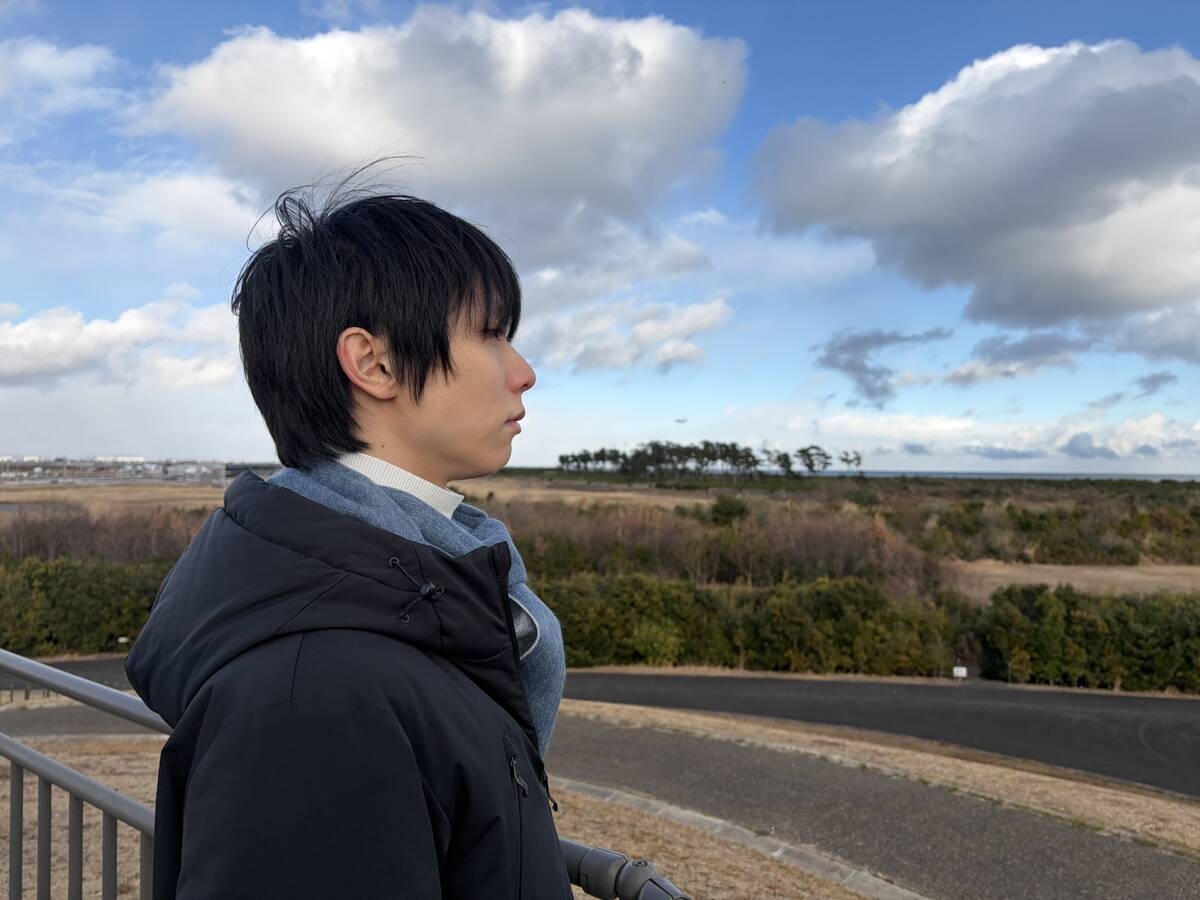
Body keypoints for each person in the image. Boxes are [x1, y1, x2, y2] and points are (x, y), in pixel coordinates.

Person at [124, 171, 573, 899]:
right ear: (374, 363)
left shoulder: (394, 600)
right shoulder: (316, 699)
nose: (523, 373)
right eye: (491, 334)